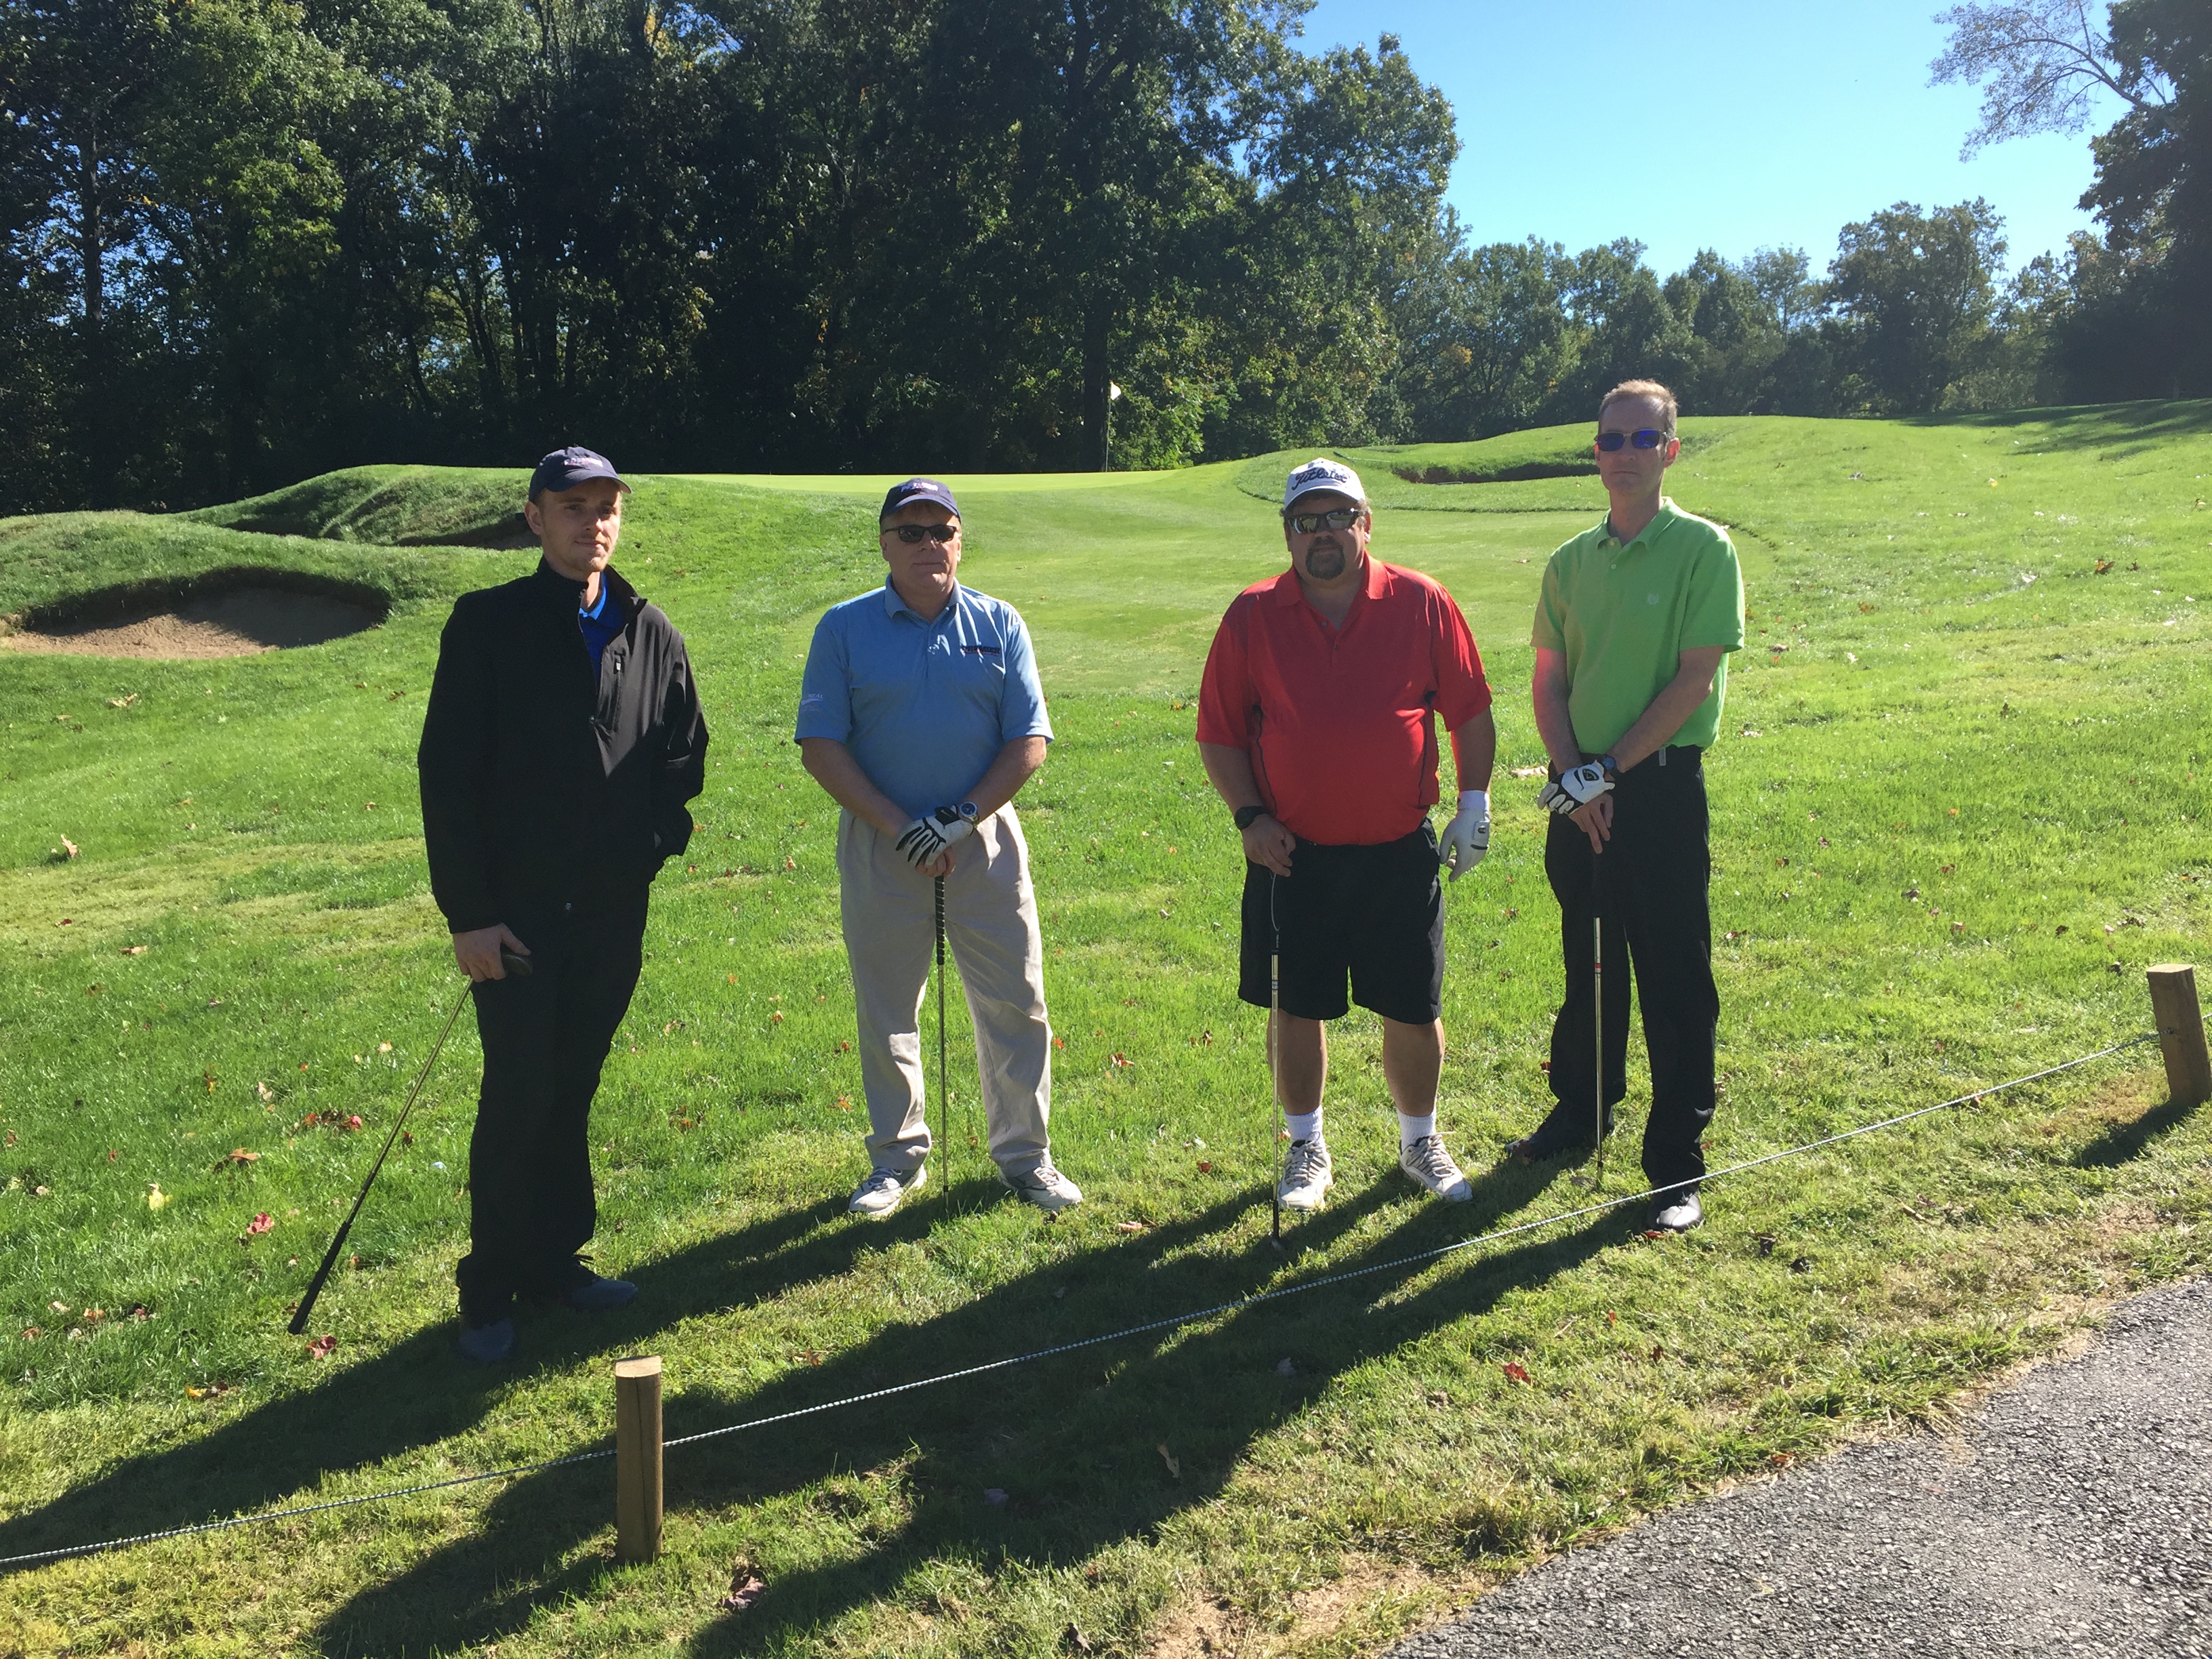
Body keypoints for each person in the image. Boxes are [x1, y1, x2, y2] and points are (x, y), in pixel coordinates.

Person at [418, 446, 708, 1363]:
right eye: (574, 507)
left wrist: (649, 849)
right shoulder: (488, 625)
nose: (594, 523)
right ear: (535, 517)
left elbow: (682, 756)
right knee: (520, 1088)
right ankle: (489, 1286)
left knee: (574, 1081)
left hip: (611, 914)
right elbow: (447, 776)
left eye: (607, 507)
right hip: (514, 918)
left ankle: (554, 1261)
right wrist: (469, 914)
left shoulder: (649, 628)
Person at [1196, 457, 1497, 1212]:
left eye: (1338, 517)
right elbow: (1220, 733)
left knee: (1413, 1007)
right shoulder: (1252, 615)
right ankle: (1306, 1146)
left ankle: (1419, 1140)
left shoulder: (1421, 600)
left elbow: (1469, 709)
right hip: (1291, 854)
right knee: (1296, 1005)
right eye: (1307, 521)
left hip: (1398, 848)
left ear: (1366, 523)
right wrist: (1250, 818)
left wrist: (1474, 804)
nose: (1323, 533)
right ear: (1288, 534)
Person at [796, 478, 1080, 1218]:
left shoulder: (999, 621)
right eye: (910, 532)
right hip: (880, 843)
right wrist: (903, 827)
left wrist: (961, 816)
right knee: (887, 1006)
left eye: (942, 531)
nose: (929, 544)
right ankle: (895, 1161)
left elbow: (1030, 738)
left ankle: (1026, 1157)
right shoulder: (844, 628)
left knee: (1017, 1002)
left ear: (960, 539)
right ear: (885, 543)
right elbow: (821, 745)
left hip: (985, 842)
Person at [1506, 379, 1745, 1233]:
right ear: (1597, 452)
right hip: (1581, 790)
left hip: (1659, 788)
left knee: (1675, 978)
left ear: (1670, 451)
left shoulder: (1704, 550)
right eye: (1612, 440)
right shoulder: (1571, 561)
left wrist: (1606, 771)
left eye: (1644, 439)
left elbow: (1695, 679)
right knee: (1590, 961)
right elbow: (1549, 681)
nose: (1625, 454)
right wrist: (1577, 778)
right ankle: (1582, 1110)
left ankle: (1675, 1165)